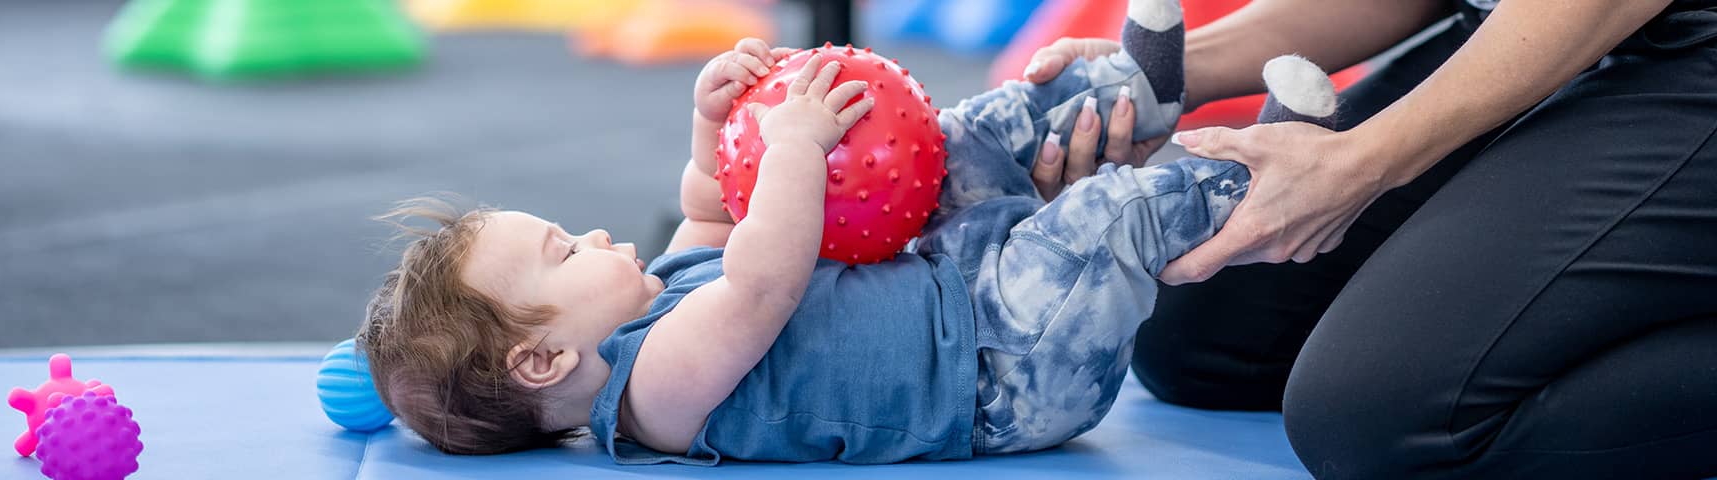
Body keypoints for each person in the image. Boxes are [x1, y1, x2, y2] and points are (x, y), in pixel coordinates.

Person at [352, 0, 1344, 464]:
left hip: (946, 279)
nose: (596, 234)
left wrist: (716, 118)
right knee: (1109, 217)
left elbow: (713, 211)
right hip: (1004, 375)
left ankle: (1139, 93)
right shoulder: (654, 400)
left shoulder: (654, 300)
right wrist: (789, 143)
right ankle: (1256, 170)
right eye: (564, 252)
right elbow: (761, 283)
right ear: (539, 361)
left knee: (968, 137)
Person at [1023, 0, 1717, 477]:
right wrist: (1168, 71)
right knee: (1200, 336)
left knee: (1389, 423)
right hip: (1534, 27)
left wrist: (1362, 161)